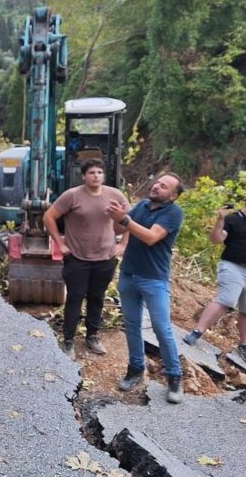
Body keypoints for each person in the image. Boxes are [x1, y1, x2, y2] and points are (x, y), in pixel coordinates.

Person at [106, 173, 185, 404]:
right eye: (157, 182)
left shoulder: (173, 213)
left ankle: (174, 377)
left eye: (164, 186)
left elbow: (151, 237)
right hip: (129, 275)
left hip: (154, 279)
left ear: (173, 195)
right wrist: (116, 216)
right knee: (131, 325)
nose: (157, 187)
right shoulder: (141, 206)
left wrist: (125, 220)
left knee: (162, 328)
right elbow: (117, 229)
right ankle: (135, 369)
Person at [42, 158, 129, 359]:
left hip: (106, 257)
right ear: (84, 176)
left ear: (103, 175)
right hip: (77, 258)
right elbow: (48, 217)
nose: (96, 176)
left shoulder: (115, 195)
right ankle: (69, 340)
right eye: (91, 173)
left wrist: (123, 244)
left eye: (99, 172)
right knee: (75, 298)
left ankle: (92, 336)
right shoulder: (72, 196)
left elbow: (130, 220)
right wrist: (60, 244)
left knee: (97, 298)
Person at [183, 190, 246, 363]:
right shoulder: (232, 219)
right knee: (226, 301)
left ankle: (245, 346)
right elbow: (216, 239)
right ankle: (197, 332)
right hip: (233, 266)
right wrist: (220, 219)